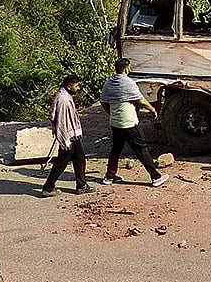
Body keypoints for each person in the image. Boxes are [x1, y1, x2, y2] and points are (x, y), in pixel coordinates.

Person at [100, 58, 169, 187]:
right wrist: (152, 109)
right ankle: (155, 177)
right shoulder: (128, 82)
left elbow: (103, 101)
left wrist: (111, 113)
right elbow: (141, 101)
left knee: (116, 149)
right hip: (129, 123)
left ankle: (109, 177)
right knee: (141, 149)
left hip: (115, 122)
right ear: (127, 68)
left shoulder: (109, 83)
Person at [40, 74, 91, 196]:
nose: (79, 88)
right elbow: (61, 123)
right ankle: (48, 188)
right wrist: (65, 140)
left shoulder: (66, 96)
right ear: (69, 85)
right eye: (77, 85)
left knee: (79, 159)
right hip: (68, 137)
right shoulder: (63, 100)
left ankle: (81, 185)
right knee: (61, 162)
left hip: (73, 135)